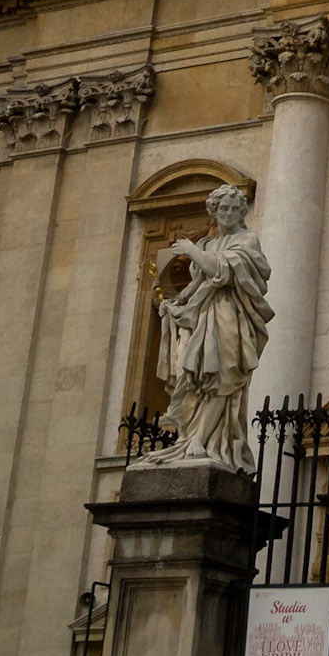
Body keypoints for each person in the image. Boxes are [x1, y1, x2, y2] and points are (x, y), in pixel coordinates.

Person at [138, 184, 273, 474]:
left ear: (242, 212)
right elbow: (196, 285)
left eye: (235, 208)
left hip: (229, 315)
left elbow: (222, 271)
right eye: (222, 208)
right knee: (199, 378)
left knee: (225, 373)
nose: (228, 213)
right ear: (213, 212)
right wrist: (177, 303)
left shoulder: (247, 240)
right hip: (204, 316)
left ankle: (202, 439)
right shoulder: (208, 245)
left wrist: (189, 250)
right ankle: (192, 437)